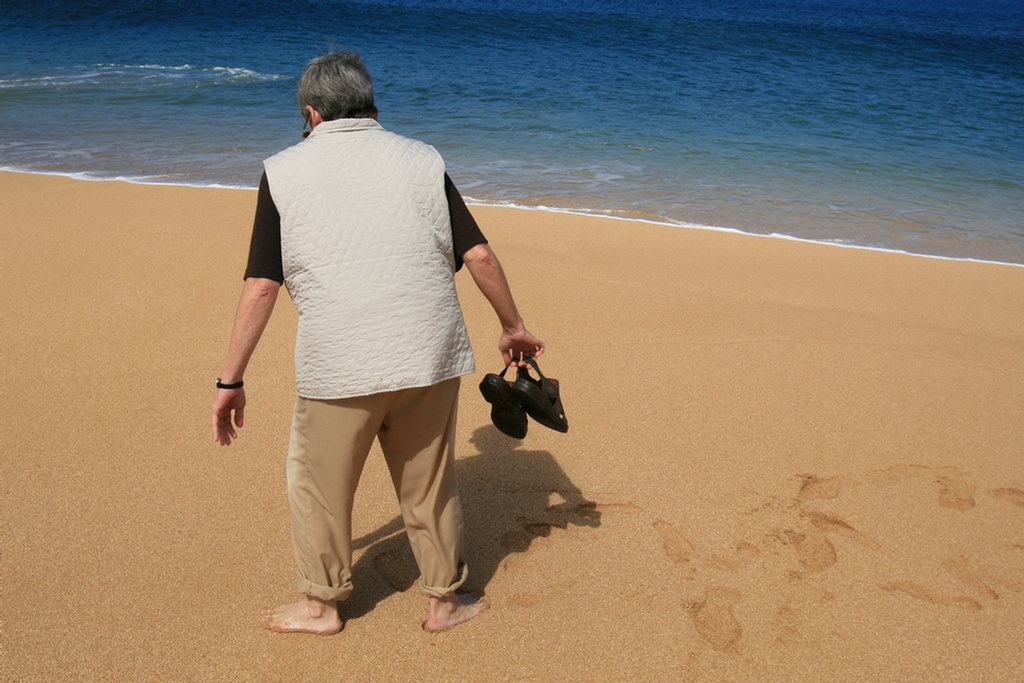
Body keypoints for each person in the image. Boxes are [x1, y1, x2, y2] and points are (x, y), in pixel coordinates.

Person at [210, 51, 544, 635]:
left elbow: (263, 285)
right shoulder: (422, 158)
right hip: (429, 353)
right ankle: (445, 603)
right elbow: (479, 254)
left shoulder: (283, 169)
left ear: (311, 114)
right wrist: (513, 325)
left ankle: (320, 606)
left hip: (341, 362)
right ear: (370, 105)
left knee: (318, 486)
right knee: (429, 483)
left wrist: (230, 380)